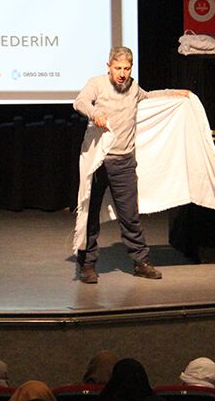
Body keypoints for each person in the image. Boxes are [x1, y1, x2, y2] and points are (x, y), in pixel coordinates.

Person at [73, 46, 188, 284]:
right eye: (118, 68)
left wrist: (176, 93)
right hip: (99, 162)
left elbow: (150, 98)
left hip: (124, 162)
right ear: (109, 67)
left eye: (126, 68)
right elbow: (80, 102)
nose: (122, 74)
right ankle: (87, 264)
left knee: (130, 216)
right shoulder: (97, 84)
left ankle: (141, 262)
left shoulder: (133, 87)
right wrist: (95, 114)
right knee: (90, 214)